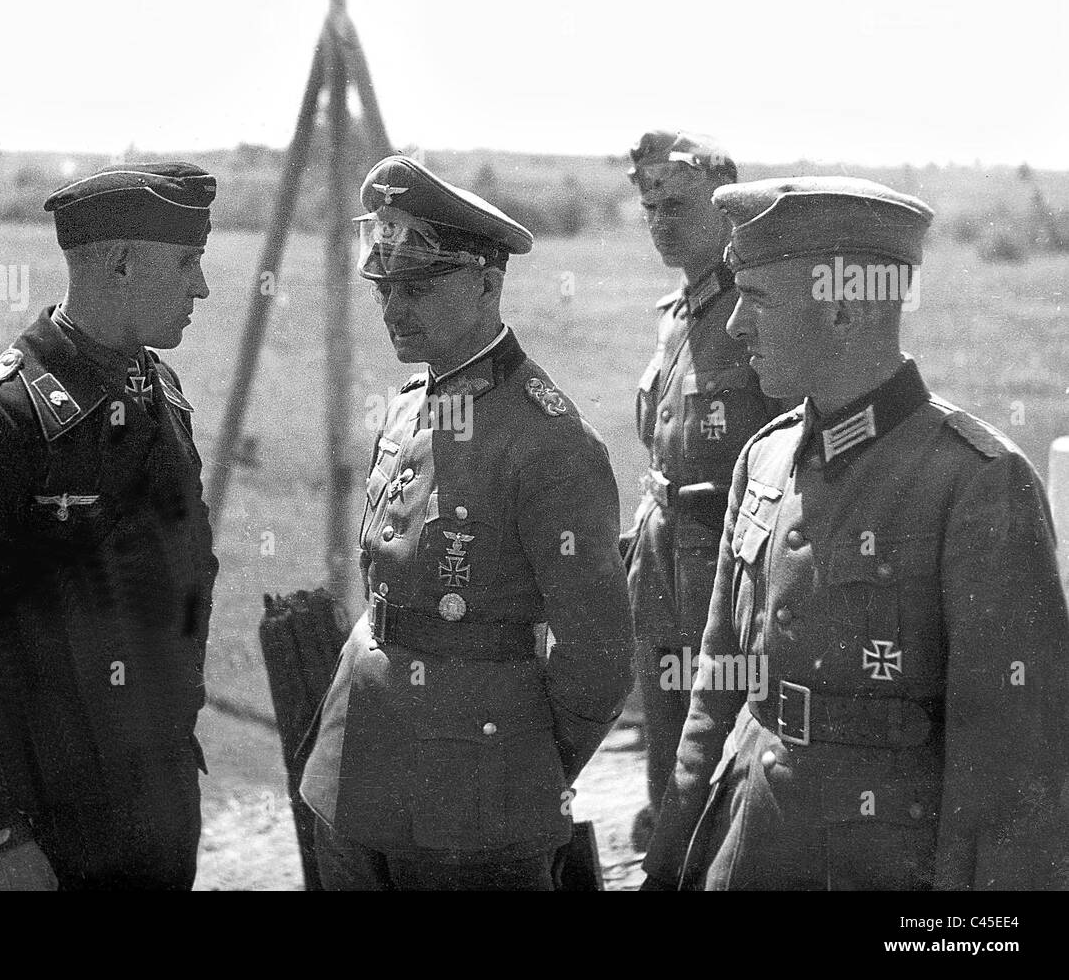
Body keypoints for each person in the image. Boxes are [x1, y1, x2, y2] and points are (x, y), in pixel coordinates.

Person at [642, 176, 1069, 890]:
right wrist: (670, 855)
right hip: (745, 843)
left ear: (843, 306)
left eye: (759, 298)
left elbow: (1011, 768)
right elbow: (719, 684)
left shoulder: (977, 482)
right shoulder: (765, 457)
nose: (735, 324)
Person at [299, 156, 634, 890]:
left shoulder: (550, 442)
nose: (392, 307)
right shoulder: (411, 401)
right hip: (353, 777)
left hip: (477, 805)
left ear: (487, 283)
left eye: (417, 287)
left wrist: (521, 760)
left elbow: (601, 657)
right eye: (386, 286)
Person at [0, 162, 220, 890]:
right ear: (122, 263)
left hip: (154, 813)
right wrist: (0, 835)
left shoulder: (162, 392)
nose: (202, 286)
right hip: (40, 840)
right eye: (188, 262)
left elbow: (186, 583)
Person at [621, 131, 786, 850]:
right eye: (650, 204)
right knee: (663, 713)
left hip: (724, 545)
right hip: (663, 539)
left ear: (725, 210)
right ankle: (669, 846)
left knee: (717, 711)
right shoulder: (675, 316)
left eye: (678, 204)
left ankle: (710, 851)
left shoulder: (751, 312)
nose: (660, 219)